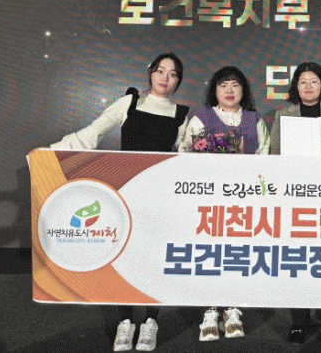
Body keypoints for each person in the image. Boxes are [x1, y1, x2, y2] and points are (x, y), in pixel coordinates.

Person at [51, 52, 189, 351]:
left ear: (178, 80)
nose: (165, 78)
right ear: (151, 73)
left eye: (173, 73)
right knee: (124, 258)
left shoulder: (182, 115)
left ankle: (150, 322)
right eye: (160, 71)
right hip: (126, 192)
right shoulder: (129, 102)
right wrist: (51, 153)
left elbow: (185, 156)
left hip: (160, 196)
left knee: (155, 260)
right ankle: (125, 322)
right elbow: (93, 133)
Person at [178, 66, 270, 341]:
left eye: (235, 85)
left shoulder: (254, 119)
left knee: (237, 254)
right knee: (210, 254)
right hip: (209, 200)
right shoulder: (202, 118)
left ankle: (232, 308)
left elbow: (265, 156)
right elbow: (185, 152)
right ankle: (209, 310)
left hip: (244, 199)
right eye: (223, 85)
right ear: (214, 90)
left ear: (244, 90)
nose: (229, 90)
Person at [270, 62, 321, 344]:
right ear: (296, 86)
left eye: (314, 81)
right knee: (299, 260)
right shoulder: (284, 115)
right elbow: (275, 155)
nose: (308, 86)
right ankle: (299, 321)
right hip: (296, 196)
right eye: (303, 81)